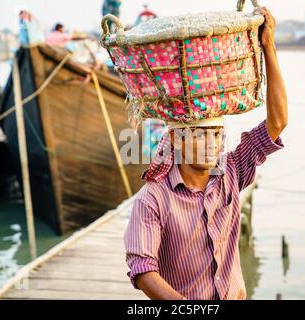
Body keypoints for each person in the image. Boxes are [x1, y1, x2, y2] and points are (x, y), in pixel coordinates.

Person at [124, 7, 288, 300]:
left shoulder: (231, 172)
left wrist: (268, 46)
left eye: (216, 134)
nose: (212, 144)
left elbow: (277, 123)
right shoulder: (152, 200)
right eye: (200, 136)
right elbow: (143, 270)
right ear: (175, 139)